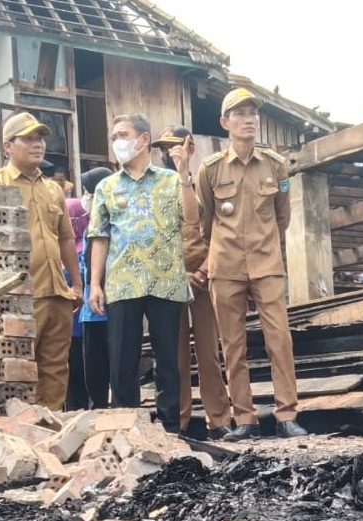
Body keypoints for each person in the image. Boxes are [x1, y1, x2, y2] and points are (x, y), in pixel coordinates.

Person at [198, 88, 305, 441]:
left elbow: (282, 216)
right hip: (225, 266)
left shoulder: (276, 165)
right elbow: (206, 221)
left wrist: (263, 246)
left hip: (266, 264)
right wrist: (223, 252)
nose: (249, 119)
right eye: (240, 113)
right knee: (232, 345)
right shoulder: (210, 169)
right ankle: (245, 418)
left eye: (253, 114)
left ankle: (286, 414)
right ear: (224, 123)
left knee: (280, 339)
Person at [88, 113, 191, 433]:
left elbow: (192, 217)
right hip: (122, 281)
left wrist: (185, 174)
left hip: (166, 279)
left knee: (167, 361)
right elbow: (100, 236)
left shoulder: (171, 181)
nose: (117, 142)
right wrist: (95, 283)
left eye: (123, 134)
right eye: (114, 137)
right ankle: (127, 428)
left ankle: (171, 428)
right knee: (122, 360)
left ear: (143, 140)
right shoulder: (106, 187)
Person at [0, 111, 83, 411]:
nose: (37, 144)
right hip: (18, 297)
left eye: (40, 138)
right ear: (7, 146)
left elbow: (66, 238)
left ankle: (50, 427)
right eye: (28, 138)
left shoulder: (53, 188)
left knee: (55, 368)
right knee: (19, 369)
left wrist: (76, 283)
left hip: (55, 291)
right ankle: (20, 430)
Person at [154, 126, 233, 439]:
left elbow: (220, 229)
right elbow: (154, 239)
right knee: (175, 356)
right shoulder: (156, 188)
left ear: (190, 148)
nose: (168, 154)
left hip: (204, 276)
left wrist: (205, 269)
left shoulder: (204, 182)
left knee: (209, 352)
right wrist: (176, 273)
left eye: (175, 148)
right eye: (164, 149)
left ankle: (219, 419)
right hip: (171, 280)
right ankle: (180, 422)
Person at [79, 167, 112, 408]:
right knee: (93, 369)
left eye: (88, 193)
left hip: (108, 309)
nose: (86, 198)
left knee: (104, 367)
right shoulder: (90, 226)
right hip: (90, 312)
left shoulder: (108, 225)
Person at [64, 198, 88, 411]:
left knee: (78, 369)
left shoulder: (80, 250)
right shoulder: (67, 250)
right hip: (71, 323)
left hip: (79, 322)